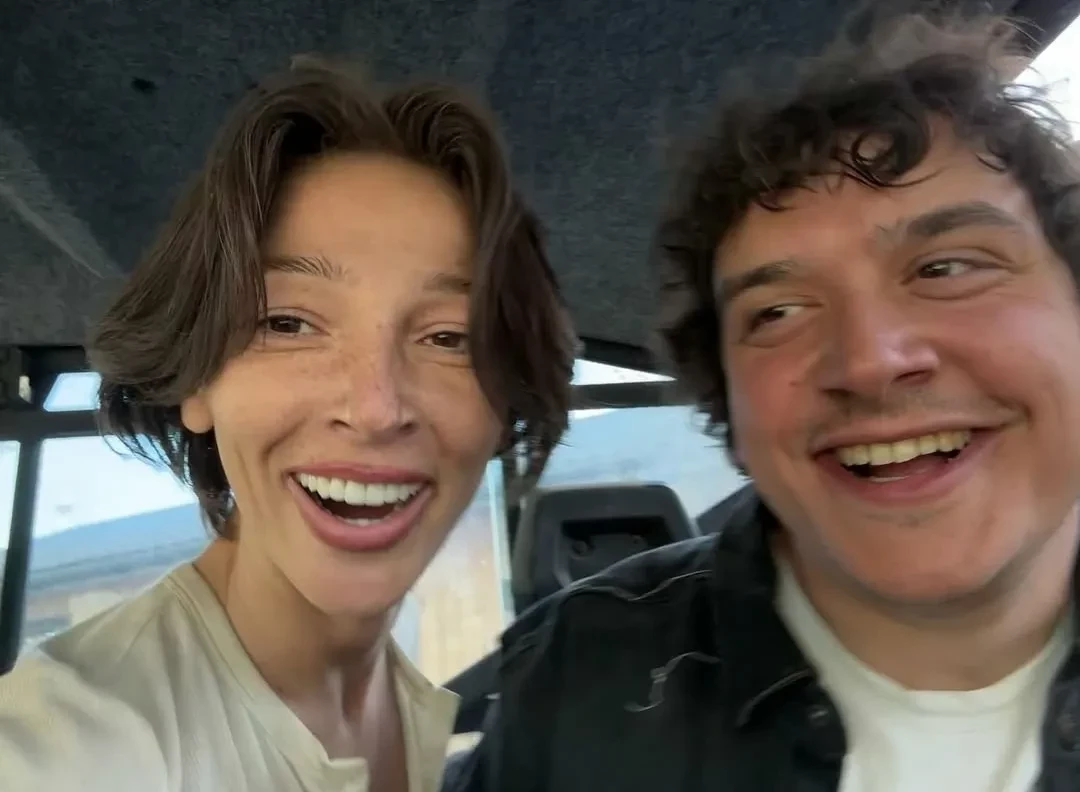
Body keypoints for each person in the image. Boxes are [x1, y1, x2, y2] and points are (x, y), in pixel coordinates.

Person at [449, 8, 1080, 792]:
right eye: (777, 312)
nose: (870, 360)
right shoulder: (577, 682)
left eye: (946, 268)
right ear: (732, 406)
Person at [0, 59, 574, 792]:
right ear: (197, 382)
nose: (375, 408)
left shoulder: (402, 698)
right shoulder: (74, 749)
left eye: (448, 337)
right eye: (289, 323)